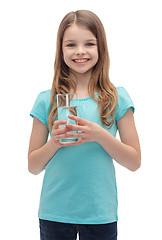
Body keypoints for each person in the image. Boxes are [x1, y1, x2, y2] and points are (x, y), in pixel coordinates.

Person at [28, 10, 141, 240]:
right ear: (61, 50)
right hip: (54, 213)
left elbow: (134, 161)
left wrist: (100, 134)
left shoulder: (116, 98)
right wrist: (55, 143)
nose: (80, 51)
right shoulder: (46, 100)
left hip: (100, 214)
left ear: (101, 48)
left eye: (89, 43)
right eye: (71, 44)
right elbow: (33, 166)